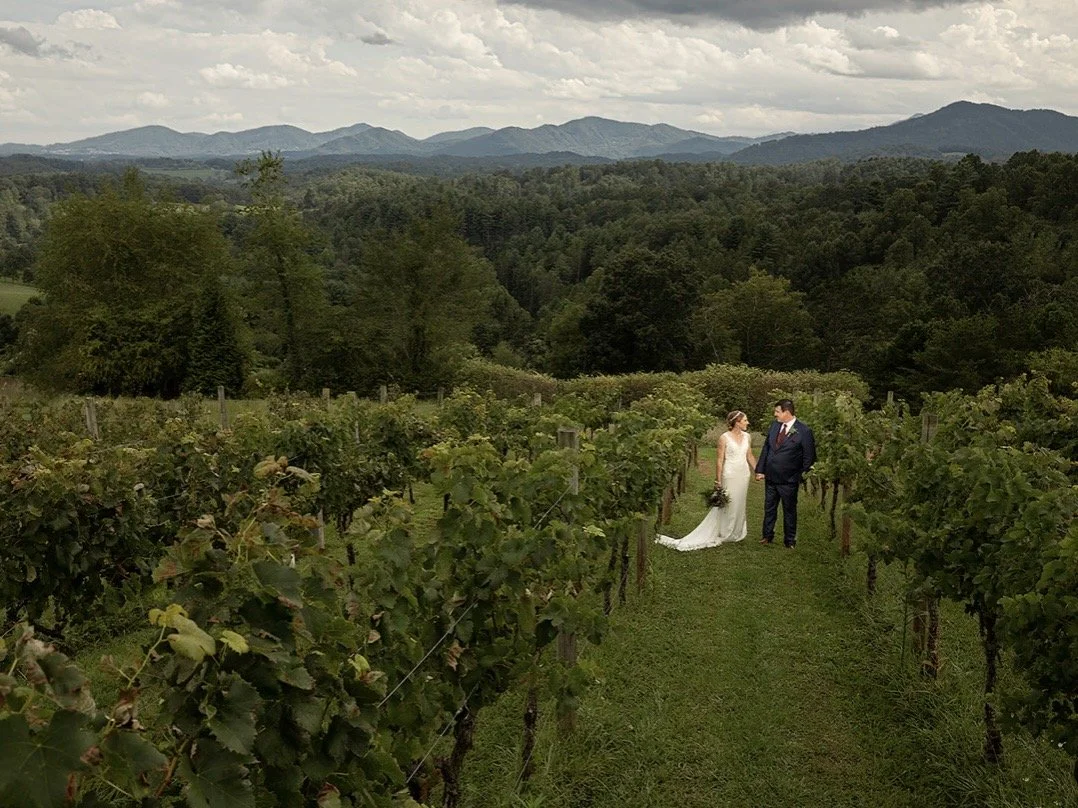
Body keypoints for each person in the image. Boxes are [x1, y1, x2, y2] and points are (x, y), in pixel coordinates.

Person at [656, 410, 757, 551]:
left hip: (743, 474)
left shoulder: (747, 437)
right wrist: (718, 480)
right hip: (730, 474)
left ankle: (736, 532)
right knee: (729, 503)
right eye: (745, 420)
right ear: (737, 422)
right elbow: (720, 460)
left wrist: (758, 471)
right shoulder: (724, 438)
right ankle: (724, 532)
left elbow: (750, 455)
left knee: (740, 502)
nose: (748, 423)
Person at [755, 399, 816, 549]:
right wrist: (760, 470)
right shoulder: (775, 426)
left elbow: (809, 457)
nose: (774, 414)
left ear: (786, 412)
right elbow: (767, 448)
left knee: (789, 510)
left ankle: (789, 541)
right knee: (769, 507)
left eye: (777, 411)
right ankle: (767, 536)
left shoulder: (804, 431)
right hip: (771, 476)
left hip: (789, 479)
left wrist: (799, 476)